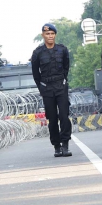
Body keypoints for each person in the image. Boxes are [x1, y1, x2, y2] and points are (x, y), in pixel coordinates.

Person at [31, 24, 72, 157]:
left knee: (64, 116)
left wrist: (63, 81)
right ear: (43, 35)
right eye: (47, 34)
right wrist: (42, 88)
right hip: (47, 89)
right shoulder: (37, 53)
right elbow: (36, 74)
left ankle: (65, 144)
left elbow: (66, 66)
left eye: (52, 34)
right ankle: (56, 146)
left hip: (61, 86)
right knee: (52, 119)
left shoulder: (62, 50)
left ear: (55, 35)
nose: (50, 36)